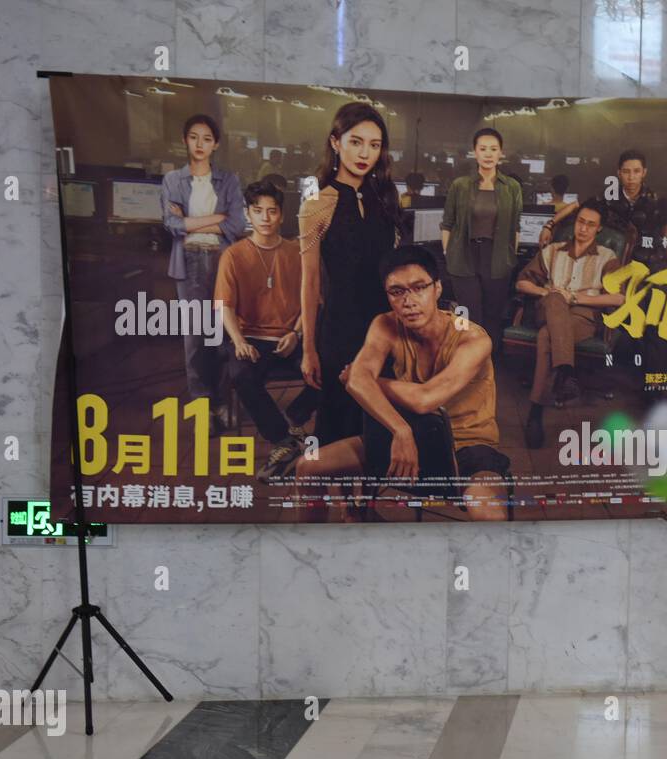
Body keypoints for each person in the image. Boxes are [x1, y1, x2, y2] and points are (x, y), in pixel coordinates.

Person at [295, 245, 510, 523]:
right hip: (410, 433)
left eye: (419, 287)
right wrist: (401, 430)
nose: (409, 301)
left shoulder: (473, 339)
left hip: (467, 445)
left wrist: (370, 380)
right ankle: (310, 553)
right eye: (397, 292)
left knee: (488, 511)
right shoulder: (385, 324)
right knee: (308, 466)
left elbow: (425, 398)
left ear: (438, 289)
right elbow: (358, 381)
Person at [298, 101, 402, 449]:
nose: (365, 153)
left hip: (385, 327)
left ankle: (364, 504)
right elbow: (310, 282)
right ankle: (343, 504)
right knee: (337, 421)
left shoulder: (386, 197)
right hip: (339, 330)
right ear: (335, 142)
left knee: (377, 427)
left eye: (374, 145)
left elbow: (396, 269)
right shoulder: (316, 204)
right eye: (355, 142)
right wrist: (309, 348)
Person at [212, 179, 318, 482]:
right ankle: (283, 440)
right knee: (241, 374)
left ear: (281, 215)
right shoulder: (233, 255)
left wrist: (296, 333)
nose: (265, 218)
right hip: (251, 339)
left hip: (289, 337)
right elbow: (224, 306)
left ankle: (297, 415)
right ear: (248, 214)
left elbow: (310, 300)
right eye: (258, 211)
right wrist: (238, 341)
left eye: (272, 211)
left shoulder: (297, 252)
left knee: (333, 366)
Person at [514, 200, 624, 448]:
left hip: (583, 317)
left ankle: (536, 411)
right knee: (554, 298)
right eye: (581, 221)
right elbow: (522, 283)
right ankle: (566, 371)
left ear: (599, 229)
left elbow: (619, 296)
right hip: (548, 307)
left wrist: (574, 297)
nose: (583, 228)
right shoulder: (553, 250)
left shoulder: (608, 257)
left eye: (590, 224)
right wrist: (548, 293)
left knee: (545, 337)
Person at [160, 113, 244, 426]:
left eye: (207, 139)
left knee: (222, 334)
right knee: (195, 337)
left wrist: (192, 222)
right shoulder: (173, 181)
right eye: (194, 137)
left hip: (221, 261)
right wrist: (216, 217)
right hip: (190, 261)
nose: (200, 144)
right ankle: (201, 406)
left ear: (215, 144)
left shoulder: (229, 181)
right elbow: (172, 225)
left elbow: (236, 224)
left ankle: (222, 402)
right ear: (185, 140)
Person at [440, 128, 523, 353]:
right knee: (470, 315)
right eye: (483, 149)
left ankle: (487, 366)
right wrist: (449, 253)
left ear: (500, 154)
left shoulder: (512, 187)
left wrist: (509, 257)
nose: (488, 154)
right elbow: (447, 224)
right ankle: (465, 364)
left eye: (493, 149)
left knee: (492, 316)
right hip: (464, 256)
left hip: (496, 258)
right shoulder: (460, 185)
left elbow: (515, 227)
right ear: (474, 153)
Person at [543, 149, 667, 268]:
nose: (631, 177)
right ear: (619, 173)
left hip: (647, 261)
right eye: (626, 171)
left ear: (644, 172)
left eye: (636, 171)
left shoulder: (657, 200)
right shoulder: (609, 197)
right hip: (615, 261)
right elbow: (575, 205)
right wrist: (549, 226)